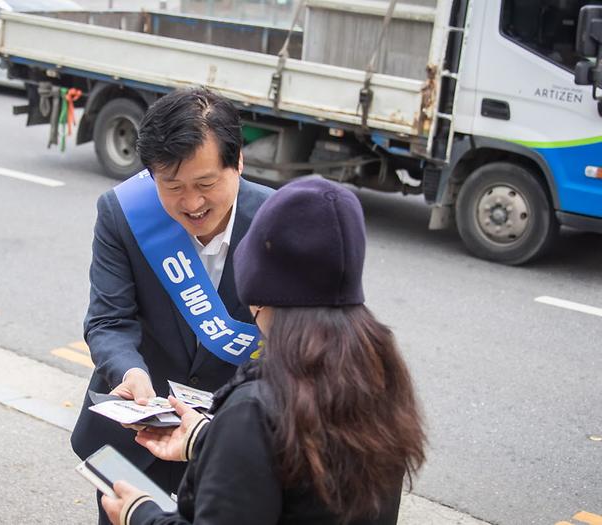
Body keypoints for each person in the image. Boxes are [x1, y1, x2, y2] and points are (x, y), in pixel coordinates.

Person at [100, 176, 427, 525]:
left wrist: (140, 515)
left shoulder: (255, 408)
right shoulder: (374, 371)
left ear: (258, 288)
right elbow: (297, 472)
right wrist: (206, 438)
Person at [71, 87, 274, 524]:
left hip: (230, 447)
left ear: (237, 162)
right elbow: (108, 319)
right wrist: (131, 372)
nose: (192, 203)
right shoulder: (124, 213)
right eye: (173, 187)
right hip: (135, 442)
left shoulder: (277, 222)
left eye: (205, 184)